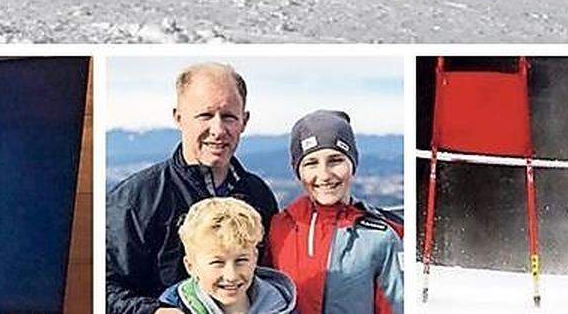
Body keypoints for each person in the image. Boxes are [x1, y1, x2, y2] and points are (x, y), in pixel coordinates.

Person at [107, 63, 280, 314]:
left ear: (244, 120)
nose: (218, 130)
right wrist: (153, 311)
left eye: (229, 116)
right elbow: (103, 287)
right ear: (179, 118)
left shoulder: (258, 195)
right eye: (205, 116)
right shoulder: (137, 199)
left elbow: (265, 272)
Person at [268, 110, 404, 314]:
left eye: (335, 160)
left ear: (352, 164)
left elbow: (396, 306)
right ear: (298, 171)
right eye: (311, 163)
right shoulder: (279, 228)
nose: (324, 175)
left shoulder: (380, 237)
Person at [159, 197, 296, 314]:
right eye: (217, 263)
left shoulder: (280, 305)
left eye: (241, 260)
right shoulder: (175, 308)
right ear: (190, 266)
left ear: (255, 257)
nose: (231, 276)